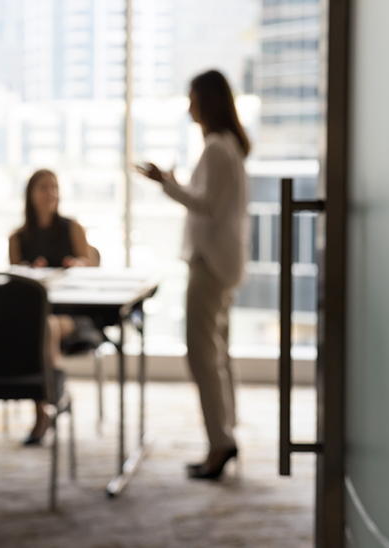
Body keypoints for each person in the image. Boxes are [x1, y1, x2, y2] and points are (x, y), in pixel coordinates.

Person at [135, 69, 251, 480]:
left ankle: (220, 442)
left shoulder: (217, 148)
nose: (189, 107)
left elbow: (206, 206)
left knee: (202, 356)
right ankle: (225, 434)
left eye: (192, 98)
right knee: (218, 353)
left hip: (211, 264)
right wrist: (172, 182)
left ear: (207, 100)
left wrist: (165, 184)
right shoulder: (228, 147)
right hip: (224, 262)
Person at [7, 169, 101, 445]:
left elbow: (90, 265)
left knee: (43, 329)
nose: (50, 193)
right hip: (37, 313)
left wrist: (78, 265)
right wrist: (29, 271)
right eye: (44, 187)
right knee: (35, 328)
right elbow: (15, 281)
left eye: (54, 187)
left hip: (74, 314)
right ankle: (53, 398)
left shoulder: (73, 228)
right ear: (30, 194)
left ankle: (46, 406)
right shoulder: (17, 238)